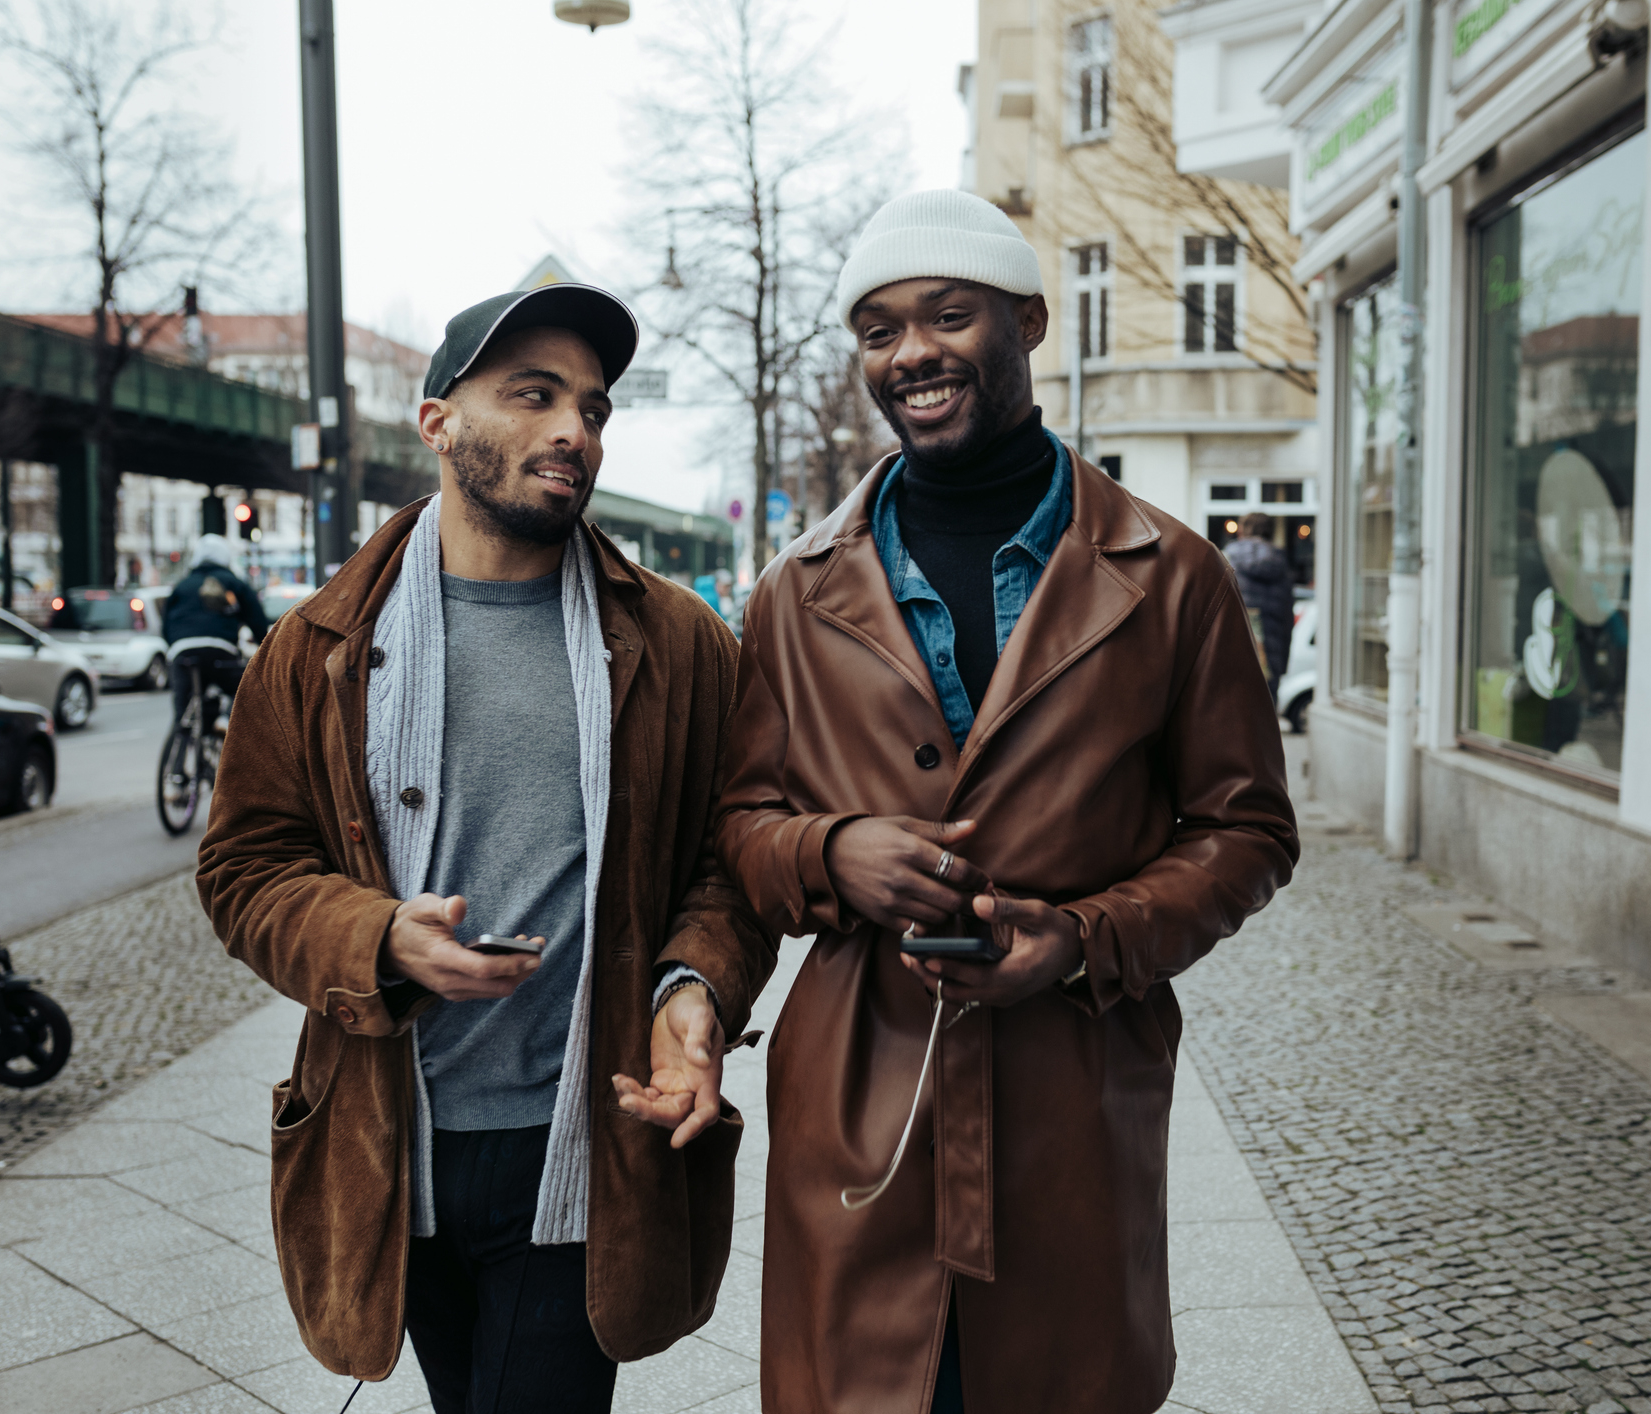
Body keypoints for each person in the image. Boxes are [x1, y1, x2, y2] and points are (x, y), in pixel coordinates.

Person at [715, 189, 1300, 1414]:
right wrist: (835, 852)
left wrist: (1085, 940)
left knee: (1062, 1381)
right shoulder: (793, 591)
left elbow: (1247, 830)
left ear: (1029, 322)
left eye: (947, 314)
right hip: (858, 1109)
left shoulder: (1171, 575)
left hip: (1069, 1105)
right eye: (878, 329)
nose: (910, 352)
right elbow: (737, 826)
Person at [196, 284, 774, 1412]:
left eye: (594, 409)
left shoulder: (679, 642)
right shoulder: (314, 647)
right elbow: (243, 869)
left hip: (588, 1139)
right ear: (437, 420)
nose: (575, 431)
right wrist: (377, 940)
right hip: (388, 1141)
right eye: (534, 395)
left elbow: (735, 855)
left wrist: (695, 988)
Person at [160, 533, 270, 725]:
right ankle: (227, 724)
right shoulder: (234, 583)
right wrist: (266, 652)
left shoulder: (182, 585)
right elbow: (257, 621)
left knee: (182, 712)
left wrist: (175, 646)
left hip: (182, 652)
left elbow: (166, 625)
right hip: (221, 651)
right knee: (244, 694)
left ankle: (181, 734)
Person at [1223, 511, 1296, 700]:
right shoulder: (1280, 562)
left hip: (1235, 646)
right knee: (1266, 708)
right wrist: (1283, 661)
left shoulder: (1227, 558)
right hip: (1272, 652)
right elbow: (1287, 617)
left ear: (1242, 531)